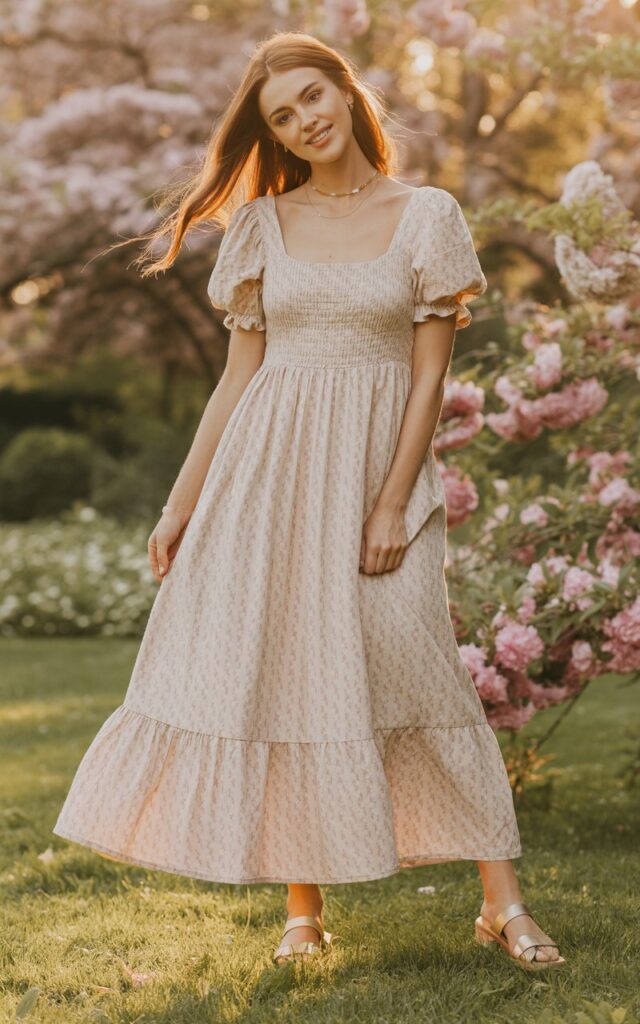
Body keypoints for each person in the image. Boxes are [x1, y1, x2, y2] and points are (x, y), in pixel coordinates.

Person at [53, 30, 565, 971]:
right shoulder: (262, 227)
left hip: (377, 474)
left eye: (311, 98)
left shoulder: (427, 215)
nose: (303, 122)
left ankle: (504, 904)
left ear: (346, 90)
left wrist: (390, 502)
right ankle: (303, 911)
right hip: (266, 478)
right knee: (293, 671)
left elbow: (428, 381)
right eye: (282, 117)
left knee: (421, 672)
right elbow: (237, 378)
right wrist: (180, 506)